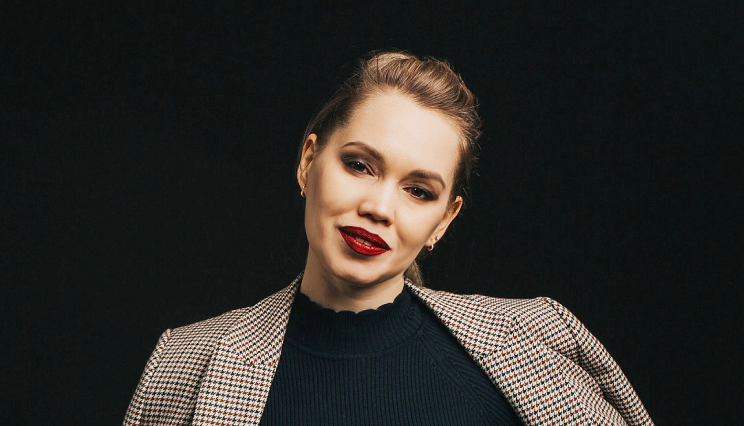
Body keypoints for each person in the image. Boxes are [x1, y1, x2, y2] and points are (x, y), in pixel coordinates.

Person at [123, 51, 654, 426]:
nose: (379, 208)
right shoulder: (185, 363)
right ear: (308, 162)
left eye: (418, 191)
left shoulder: (535, 343)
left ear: (444, 221)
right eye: (359, 165)